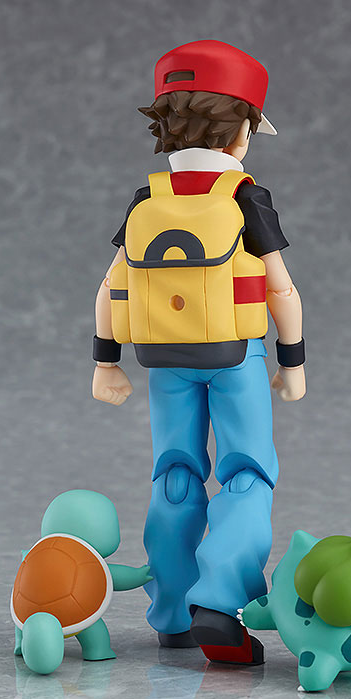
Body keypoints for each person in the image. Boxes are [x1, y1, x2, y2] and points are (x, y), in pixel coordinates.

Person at [91, 40, 305, 665]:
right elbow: (280, 288)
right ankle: (218, 600)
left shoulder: (148, 199)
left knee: (175, 473)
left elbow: (110, 286)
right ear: (241, 132)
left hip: (162, 360)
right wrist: (292, 362)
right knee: (246, 473)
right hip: (236, 356)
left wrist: (105, 362)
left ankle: (173, 613)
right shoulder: (244, 197)